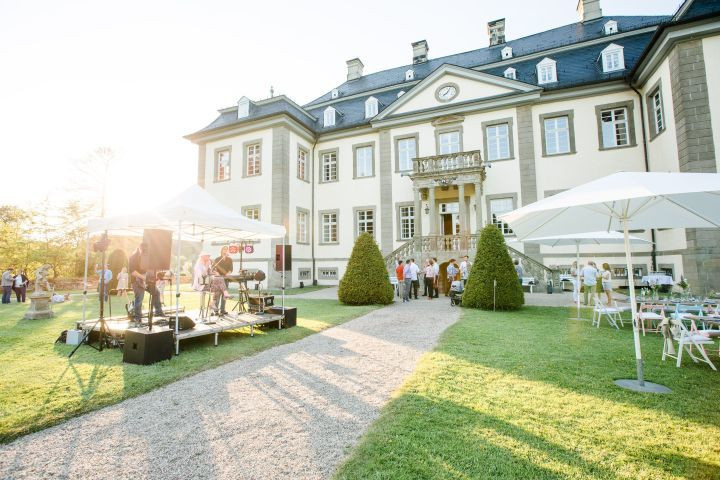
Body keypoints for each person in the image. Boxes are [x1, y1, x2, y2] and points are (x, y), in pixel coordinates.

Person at [129, 242, 165, 324]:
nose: (145, 252)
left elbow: (149, 269)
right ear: (139, 248)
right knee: (139, 299)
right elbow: (132, 271)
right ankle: (137, 318)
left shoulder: (147, 257)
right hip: (136, 281)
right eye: (143, 250)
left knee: (156, 293)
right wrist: (144, 278)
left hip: (146, 280)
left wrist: (156, 275)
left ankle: (158, 312)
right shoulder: (133, 257)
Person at [213, 246, 234, 314]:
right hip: (218, 279)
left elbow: (231, 269)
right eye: (224, 249)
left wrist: (228, 274)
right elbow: (214, 269)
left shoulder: (230, 259)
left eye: (226, 249)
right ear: (221, 250)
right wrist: (217, 273)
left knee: (224, 295)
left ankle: (223, 309)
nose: (225, 251)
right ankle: (215, 310)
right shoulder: (217, 259)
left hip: (226, 278)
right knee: (217, 294)